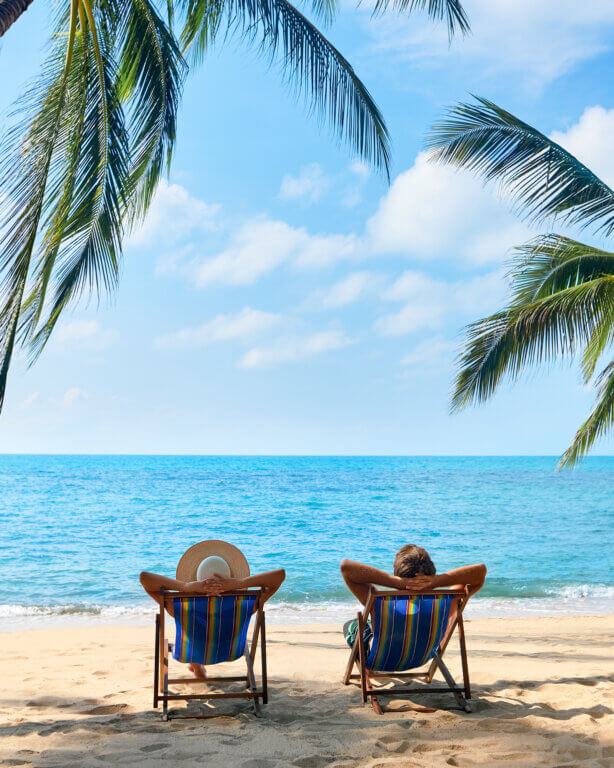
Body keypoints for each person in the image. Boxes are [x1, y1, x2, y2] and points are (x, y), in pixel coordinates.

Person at [139, 566, 285, 680]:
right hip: (230, 651)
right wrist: (240, 583)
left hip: (191, 652)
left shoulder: (178, 605)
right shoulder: (246, 604)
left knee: (193, 632)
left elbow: (144, 578)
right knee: (200, 631)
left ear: (198, 579)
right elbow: (280, 575)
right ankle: (197, 667)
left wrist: (186, 587)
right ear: (229, 579)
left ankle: (197, 667)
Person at [340, 544, 486, 648]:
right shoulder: (447, 602)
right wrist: (436, 581)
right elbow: (480, 572)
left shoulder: (381, 603)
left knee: (352, 625)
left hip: (384, 659)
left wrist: (396, 583)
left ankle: (367, 672)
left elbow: (346, 567)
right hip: (423, 656)